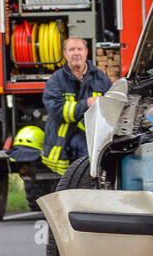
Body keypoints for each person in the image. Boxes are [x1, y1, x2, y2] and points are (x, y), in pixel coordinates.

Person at [41, 37, 112, 175]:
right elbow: (56, 110)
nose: (76, 53)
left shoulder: (101, 79)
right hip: (64, 140)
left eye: (79, 49)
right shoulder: (56, 80)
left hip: (93, 139)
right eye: (71, 49)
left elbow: (111, 109)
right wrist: (86, 104)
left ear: (86, 52)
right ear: (65, 54)